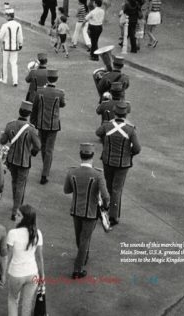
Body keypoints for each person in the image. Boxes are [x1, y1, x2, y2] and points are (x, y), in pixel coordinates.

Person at [63, 143, 110, 278]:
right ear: (92, 156)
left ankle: (83, 256)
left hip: (76, 210)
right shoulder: (98, 174)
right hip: (91, 212)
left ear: (80, 155)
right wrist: (105, 206)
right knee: (85, 239)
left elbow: (66, 190)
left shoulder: (72, 172)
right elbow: (106, 196)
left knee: (79, 238)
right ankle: (77, 269)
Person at [95, 102, 141, 226]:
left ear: (115, 112)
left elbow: (98, 132)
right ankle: (113, 216)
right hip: (122, 163)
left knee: (108, 186)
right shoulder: (130, 129)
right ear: (126, 114)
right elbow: (137, 148)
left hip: (108, 160)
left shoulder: (107, 125)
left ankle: (106, 208)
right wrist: (129, 154)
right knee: (117, 189)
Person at [0, 101, 40, 220]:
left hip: (11, 159)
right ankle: (16, 210)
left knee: (14, 182)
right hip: (24, 161)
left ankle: (16, 203)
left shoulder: (10, 125)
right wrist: (32, 152)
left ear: (19, 111)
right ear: (29, 114)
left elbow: (2, 141)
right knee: (21, 185)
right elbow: (37, 146)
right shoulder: (31, 129)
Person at [5, 204, 45, 316]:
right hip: (33, 273)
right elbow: (40, 258)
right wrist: (42, 277)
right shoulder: (37, 233)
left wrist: (2, 272)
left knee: (13, 300)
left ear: (25, 219)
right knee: (27, 305)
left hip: (16, 273)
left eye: (19, 215)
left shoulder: (13, 233)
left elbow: (8, 255)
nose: (15, 216)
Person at [31, 69, 65, 184]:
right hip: (53, 125)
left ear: (47, 79)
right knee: (49, 149)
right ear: (56, 79)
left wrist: (33, 122)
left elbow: (34, 108)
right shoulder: (60, 93)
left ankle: (44, 164)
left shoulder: (40, 91)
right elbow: (62, 104)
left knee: (43, 146)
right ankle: (45, 174)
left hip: (41, 123)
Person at [0, 4, 23, 86]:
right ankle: (15, 81)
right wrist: (20, 44)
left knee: (4, 63)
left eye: (6, 15)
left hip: (6, 47)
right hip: (15, 47)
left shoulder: (5, 25)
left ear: (8, 16)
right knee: (14, 64)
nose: (5, 16)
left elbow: (0, 37)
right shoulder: (18, 25)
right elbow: (20, 36)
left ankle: (4, 79)